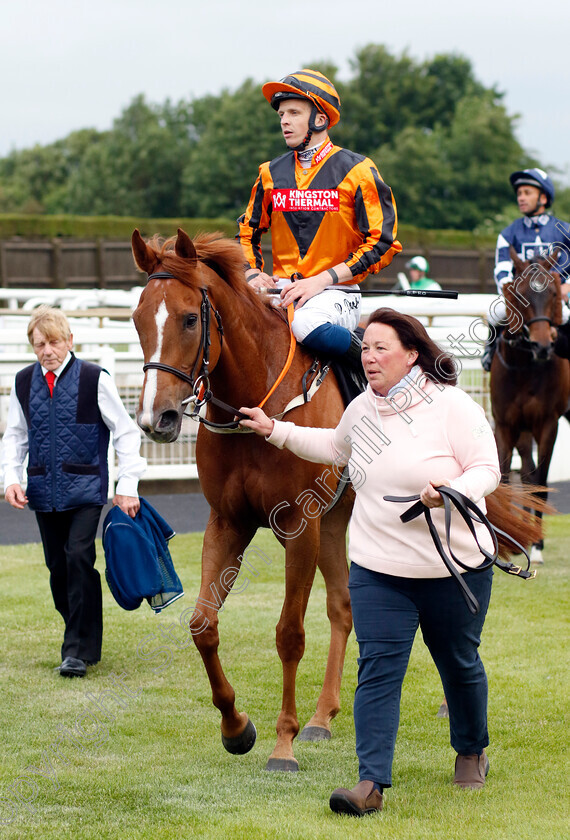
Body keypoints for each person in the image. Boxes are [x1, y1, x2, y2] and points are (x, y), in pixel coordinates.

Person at [239, 307, 501, 815]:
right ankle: (370, 783)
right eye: (365, 348)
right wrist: (275, 429)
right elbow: (334, 446)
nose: (370, 356)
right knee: (378, 668)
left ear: (412, 354)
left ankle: (471, 750)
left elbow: (486, 469)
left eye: (382, 348)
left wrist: (450, 491)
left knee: (458, 662)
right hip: (379, 570)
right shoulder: (361, 409)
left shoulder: (451, 406)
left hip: (453, 568)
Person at [0, 306, 146, 678]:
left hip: (86, 488)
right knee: (58, 569)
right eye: (39, 345)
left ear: (69, 341)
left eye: (53, 342)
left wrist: (126, 485)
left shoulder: (94, 378)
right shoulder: (22, 382)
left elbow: (126, 432)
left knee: (79, 557)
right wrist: (11, 479)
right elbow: (15, 436)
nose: (47, 351)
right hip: (42, 491)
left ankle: (75, 650)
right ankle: (86, 641)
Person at [236, 69, 402, 365]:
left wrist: (321, 281)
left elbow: (382, 244)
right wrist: (251, 272)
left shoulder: (359, 171)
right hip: (281, 291)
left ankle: (373, 373)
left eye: (294, 113)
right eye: (281, 114)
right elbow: (247, 232)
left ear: (320, 119)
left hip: (336, 292)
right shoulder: (269, 173)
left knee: (305, 325)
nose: (284, 120)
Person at [481, 168, 570, 371]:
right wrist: (511, 294)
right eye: (519, 193)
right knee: (495, 314)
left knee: (566, 317)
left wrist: (567, 287)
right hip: (521, 299)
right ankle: (490, 350)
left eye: (527, 193)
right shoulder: (508, 233)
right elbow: (502, 269)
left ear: (544, 198)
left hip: (556, 299)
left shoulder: (565, 230)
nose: (521, 198)